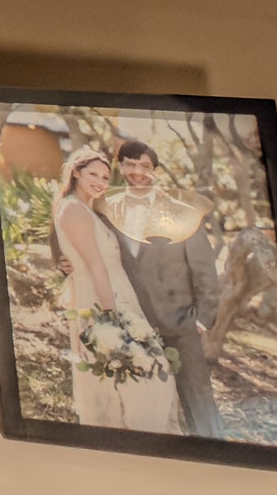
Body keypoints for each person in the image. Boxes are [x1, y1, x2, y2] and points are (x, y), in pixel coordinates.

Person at [102, 137, 228, 436]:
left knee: (198, 398)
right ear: (120, 167)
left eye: (145, 166)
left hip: (180, 324)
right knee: (141, 400)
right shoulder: (108, 209)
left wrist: (201, 319)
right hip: (130, 321)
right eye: (130, 164)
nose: (137, 172)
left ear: (155, 170)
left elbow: (204, 270)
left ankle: (215, 450)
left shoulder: (180, 212)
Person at [51, 146, 182, 433]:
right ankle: (128, 431)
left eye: (105, 177)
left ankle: (135, 430)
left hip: (119, 294)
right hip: (102, 299)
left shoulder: (89, 209)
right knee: (133, 373)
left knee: (143, 371)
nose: (100, 182)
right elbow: (95, 266)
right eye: (93, 174)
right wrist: (111, 318)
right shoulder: (73, 209)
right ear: (76, 173)